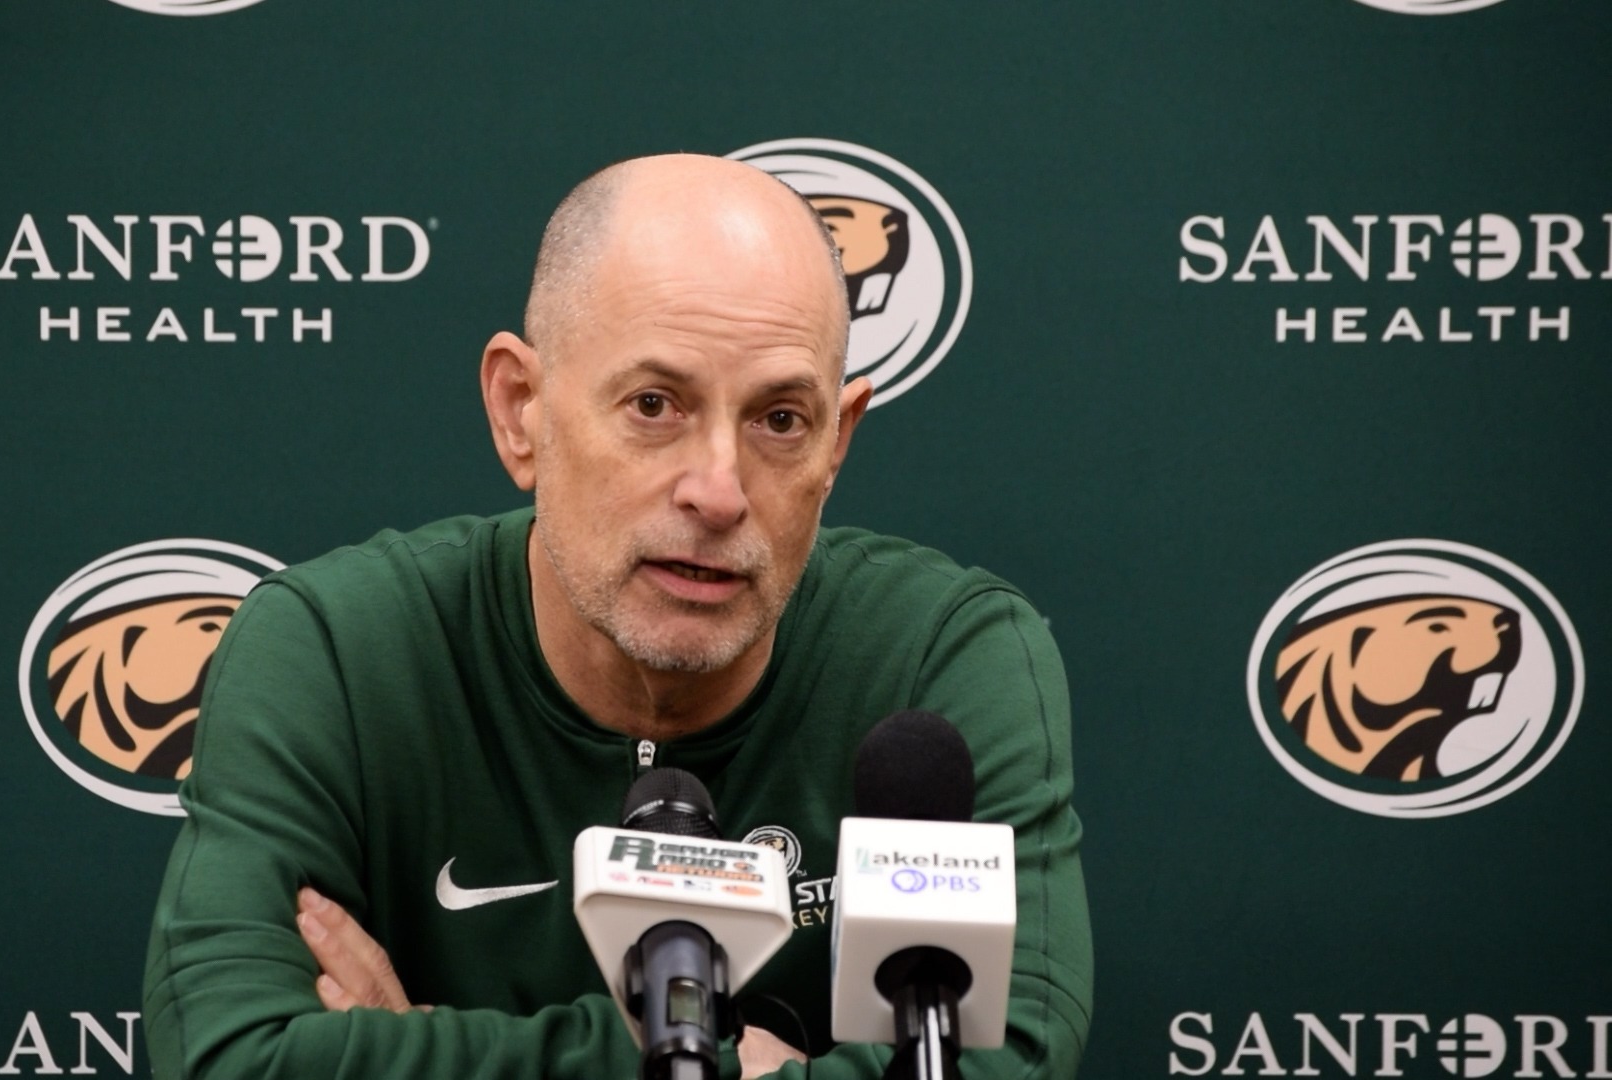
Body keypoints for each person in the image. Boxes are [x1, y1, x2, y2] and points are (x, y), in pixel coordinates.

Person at [142, 153, 1091, 1080]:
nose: (718, 492)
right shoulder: (335, 651)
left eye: (780, 421)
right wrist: (687, 1057)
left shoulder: (941, 657)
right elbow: (232, 1053)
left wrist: (421, 1048)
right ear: (522, 410)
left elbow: (1011, 1056)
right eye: (653, 404)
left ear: (837, 445)